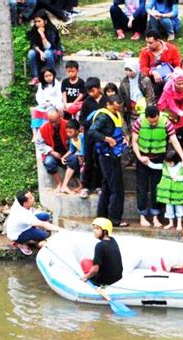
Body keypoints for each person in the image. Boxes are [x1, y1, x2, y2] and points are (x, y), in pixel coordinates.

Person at [131, 105, 183, 227]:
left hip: (159, 159)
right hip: (143, 159)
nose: (153, 123)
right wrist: (140, 157)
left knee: (157, 187)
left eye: (156, 121)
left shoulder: (166, 122)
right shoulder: (139, 122)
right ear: (146, 118)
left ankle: (156, 216)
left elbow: (174, 141)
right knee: (142, 187)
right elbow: (134, 141)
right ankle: (142, 215)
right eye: (151, 122)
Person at [88, 95, 128, 227]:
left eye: (119, 108)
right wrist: (107, 139)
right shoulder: (103, 116)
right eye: (116, 107)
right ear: (108, 104)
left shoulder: (115, 114)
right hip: (107, 155)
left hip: (114, 154)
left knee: (107, 186)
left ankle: (102, 216)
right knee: (117, 188)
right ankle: (114, 219)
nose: (118, 109)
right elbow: (92, 132)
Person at [6, 190, 60, 256]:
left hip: (25, 225)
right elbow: (42, 224)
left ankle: (34, 231)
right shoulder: (22, 214)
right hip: (18, 234)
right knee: (44, 235)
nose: (33, 198)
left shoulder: (19, 202)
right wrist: (60, 229)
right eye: (31, 198)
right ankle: (18, 243)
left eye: (32, 196)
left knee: (45, 216)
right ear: (25, 203)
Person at [79, 77, 107, 199]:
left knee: (100, 162)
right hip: (90, 137)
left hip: (102, 137)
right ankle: (85, 186)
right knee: (89, 161)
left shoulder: (106, 101)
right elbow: (82, 120)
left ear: (99, 88)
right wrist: (90, 122)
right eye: (89, 91)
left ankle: (99, 186)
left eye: (93, 90)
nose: (91, 93)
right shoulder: (87, 102)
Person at [139, 29, 182, 97]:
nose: (148, 45)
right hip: (152, 77)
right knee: (144, 79)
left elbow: (178, 65)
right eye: (146, 42)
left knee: (171, 81)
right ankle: (151, 102)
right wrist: (152, 72)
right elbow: (142, 68)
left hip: (168, 76)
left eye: (150, 43)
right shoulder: (145, 51)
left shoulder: (171, 49)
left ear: (158, 40)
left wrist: (174, 73)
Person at [80, 218, 123, 286]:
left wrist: (85, 277)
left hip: (104, 281)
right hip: (118, 278)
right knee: (89, 261)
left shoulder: (100, 246)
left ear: (105, 231)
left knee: (84, 262)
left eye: (97, 229)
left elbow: (95, 270)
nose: (94, 231)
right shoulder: (113, 240)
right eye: (93, 228)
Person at [35, 107, 68, 192]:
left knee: (74, 160)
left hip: (67, 152)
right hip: (52, 153)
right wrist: (51, 151)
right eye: (51, 122)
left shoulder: (67, 124)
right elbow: (39, 143)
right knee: (48, 162)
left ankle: (76, 185)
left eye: (56, 121)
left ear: (60, 116)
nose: (54, 124)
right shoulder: (43, 128)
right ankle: (59, 183)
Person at [157, 150, 183, 231]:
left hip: (178, 193)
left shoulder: (181, 166)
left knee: (178, 208)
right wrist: (148, 163)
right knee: (168, 208)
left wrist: (178, 178)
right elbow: (157, 166)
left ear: (176, 161)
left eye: (171, 163)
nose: (169, 164)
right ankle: (170, 222)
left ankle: (179, 223)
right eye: (168, 162)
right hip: (168, 194)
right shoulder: (165, 166)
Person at [27, 10, 62, 86]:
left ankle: (51, 77)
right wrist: (40, 52)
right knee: (31, 53)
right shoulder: (35, 30)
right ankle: (35, 77)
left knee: (47, 53)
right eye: (35, 21)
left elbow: (49, 47)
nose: (37, 24)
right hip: (42, 52)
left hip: (56, 51)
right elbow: (33, 44)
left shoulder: (51, 30)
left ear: (45, 21)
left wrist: (42, 36)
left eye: (39, 21)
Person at [119, 58, 156, 125]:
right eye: (126, 70)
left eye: (130, 70)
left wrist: (147, 112)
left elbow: (150, 97)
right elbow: (122, 98)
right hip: (131, 112)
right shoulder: (124, 82)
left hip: (143, 110)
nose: (128, 72)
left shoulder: (145, 80)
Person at [31, 67, 63, 140]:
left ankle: (45, 132)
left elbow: (59, 96)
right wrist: (42, 103)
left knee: (48, 113)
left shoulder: (57, 84)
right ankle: (35, 133)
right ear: (43, 77)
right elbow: (38, 96)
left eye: (50, 75)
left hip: (53, 104)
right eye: (46, 76)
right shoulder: (41, 85)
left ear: (53, 75)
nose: (49, 78)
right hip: (43, 104)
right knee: (36, 111)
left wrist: (51, 102)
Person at [60, 119, 84, 195]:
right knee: (71, 161)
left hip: (86, 156)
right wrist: (63, 157)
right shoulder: (72, 139)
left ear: (77, 131)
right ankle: (79, 185)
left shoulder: (82, 137)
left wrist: (79, 155)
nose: (68, 134)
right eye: (67, 132)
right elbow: (71, 150)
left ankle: (64, 186)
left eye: (70, 132)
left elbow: (84, 149)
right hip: (80, 156)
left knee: (73, 160)